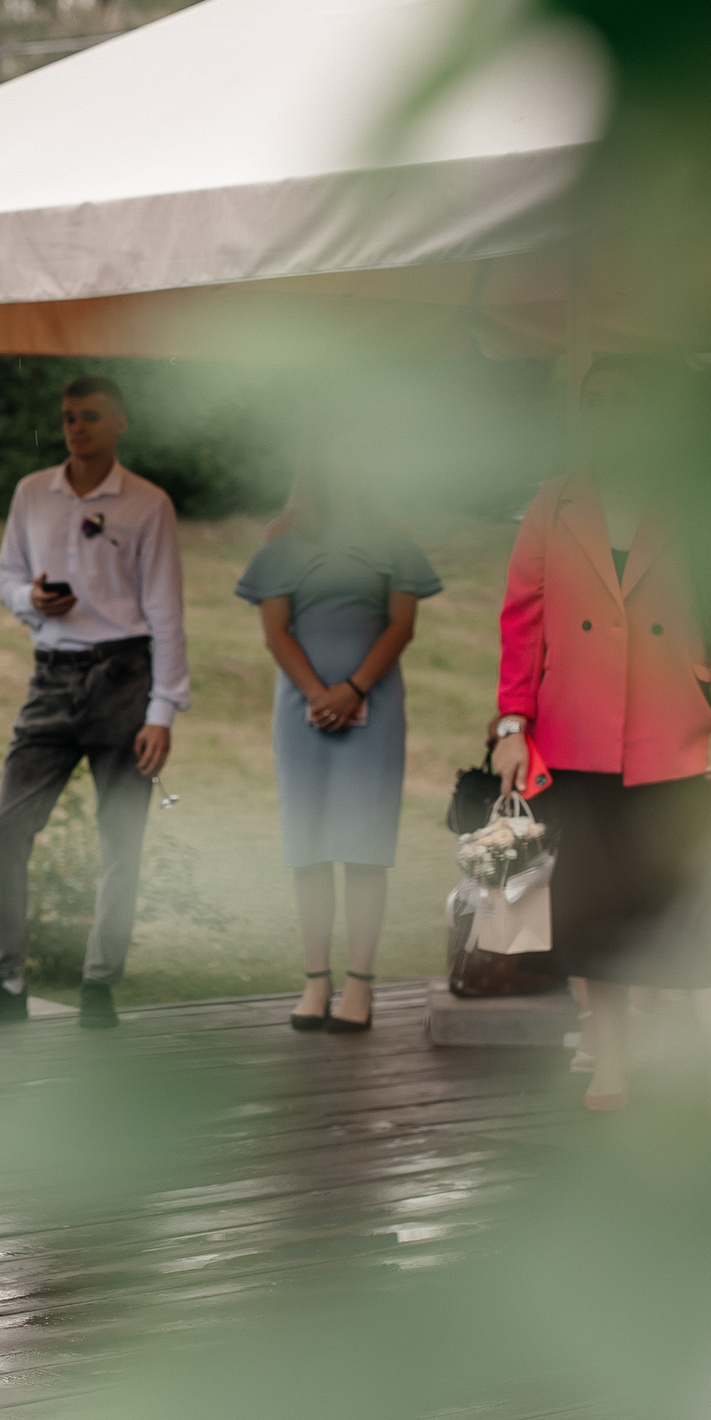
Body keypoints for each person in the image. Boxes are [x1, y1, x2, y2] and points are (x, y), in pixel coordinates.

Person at [491, 357, 711, 1108]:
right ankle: (612, 1064)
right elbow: (520, 624)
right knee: (596, 916)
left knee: (691, 910)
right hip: (577, 740)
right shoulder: (553, 502)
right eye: (595, 400)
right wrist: (512, 725)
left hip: (674, 736)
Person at [0, 376, 190, 1032]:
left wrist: (162, 709)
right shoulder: (33, 493)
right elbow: (4, 577)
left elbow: (166, 608)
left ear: (120, 422)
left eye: (90, 416)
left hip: (123, 679)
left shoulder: (148, 503)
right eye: (68, 417)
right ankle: (7, 981)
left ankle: (100, 985)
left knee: (121, 840)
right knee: (6, 826)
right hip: (51, 677)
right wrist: (32, 598)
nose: (76, 426)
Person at [237, 433, 441, 1034]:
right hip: (300, 709)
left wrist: (352, 689)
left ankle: (360, 983)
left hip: (373, 705)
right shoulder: (282, 537)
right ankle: (314, 980)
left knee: (364, 845)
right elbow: (276, 631)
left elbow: (402, 625)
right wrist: (316, 692)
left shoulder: (396, 536)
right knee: (308, 845)